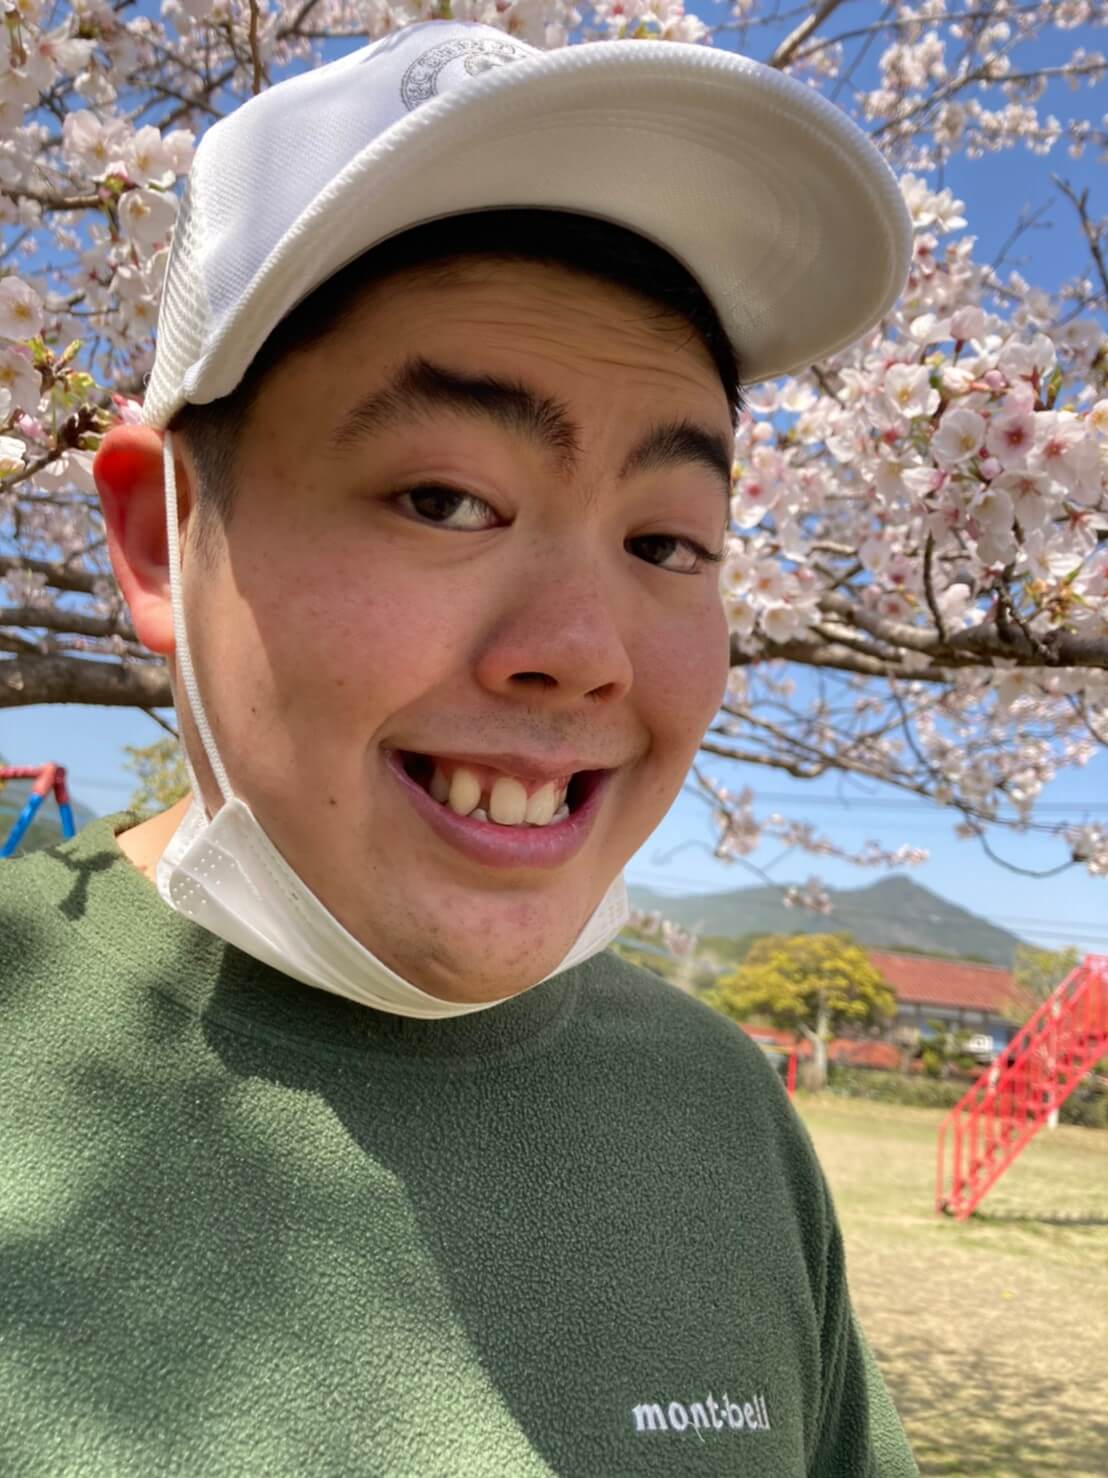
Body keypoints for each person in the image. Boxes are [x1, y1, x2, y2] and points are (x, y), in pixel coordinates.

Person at [0, 20, 919, 1475]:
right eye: (444, 499)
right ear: (157, 537)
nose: (586, 648)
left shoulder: (724, 1116)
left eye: (668, 540)